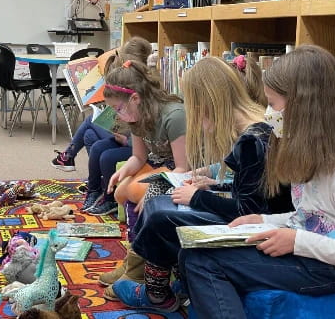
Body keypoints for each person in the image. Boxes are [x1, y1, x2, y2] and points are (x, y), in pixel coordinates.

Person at [179, 45, 335, 319]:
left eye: (273, 104)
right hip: (312, 254)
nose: (267, 115)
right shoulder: (316, 159)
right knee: (193, 253)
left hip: (333, 269)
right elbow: (312, 217)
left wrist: (296, 241)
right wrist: (264, 220)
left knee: (202, 262)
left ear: (304, 108)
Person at [111, 57, 293, 312]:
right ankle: (162, 283)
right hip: (256, 216)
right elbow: (253, 191)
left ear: (205, 103)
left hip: (257, 228)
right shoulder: (250, 130)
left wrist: (197, 197)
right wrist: (214, 186)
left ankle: (155, 295)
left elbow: (248, 211)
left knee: (162, 217)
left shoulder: (252, 139)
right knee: (159, 203)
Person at [99, 59, 187, 300]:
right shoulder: (136, 117)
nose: (117, 115)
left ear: (135, 98)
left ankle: (138, 270)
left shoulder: (174, 115)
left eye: (118, 109)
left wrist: (154, 188)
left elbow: (184, 166)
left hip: (183, 173)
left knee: (136, 191)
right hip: (160, 167)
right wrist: (123, 171)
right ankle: (133, 260)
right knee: (121, 191)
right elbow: (138, 157)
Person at [51, 37, 153, 174]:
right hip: (125, 131)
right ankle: (95, 180)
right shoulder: (136, 78)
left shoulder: (138, 84)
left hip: (130, 139)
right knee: (89, 135)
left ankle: (68, 156)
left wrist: (126, 139)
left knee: (90, 121)